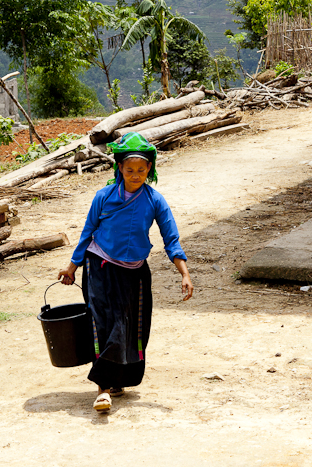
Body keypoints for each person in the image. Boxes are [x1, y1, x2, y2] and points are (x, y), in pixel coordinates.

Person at [57, 132, 193, 414]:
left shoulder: (155, 200)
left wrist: (185, 274)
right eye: (129, 170)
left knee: (133, 328)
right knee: (107, 324)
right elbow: (87, 232)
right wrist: (72, 266)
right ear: (119, 168)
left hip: (135, 273)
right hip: (101, 267)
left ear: (149, 170)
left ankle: (117, 380)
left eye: (141, 170)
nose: (135, 175)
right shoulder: (103, 197)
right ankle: (103, 389)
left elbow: (172, 239)